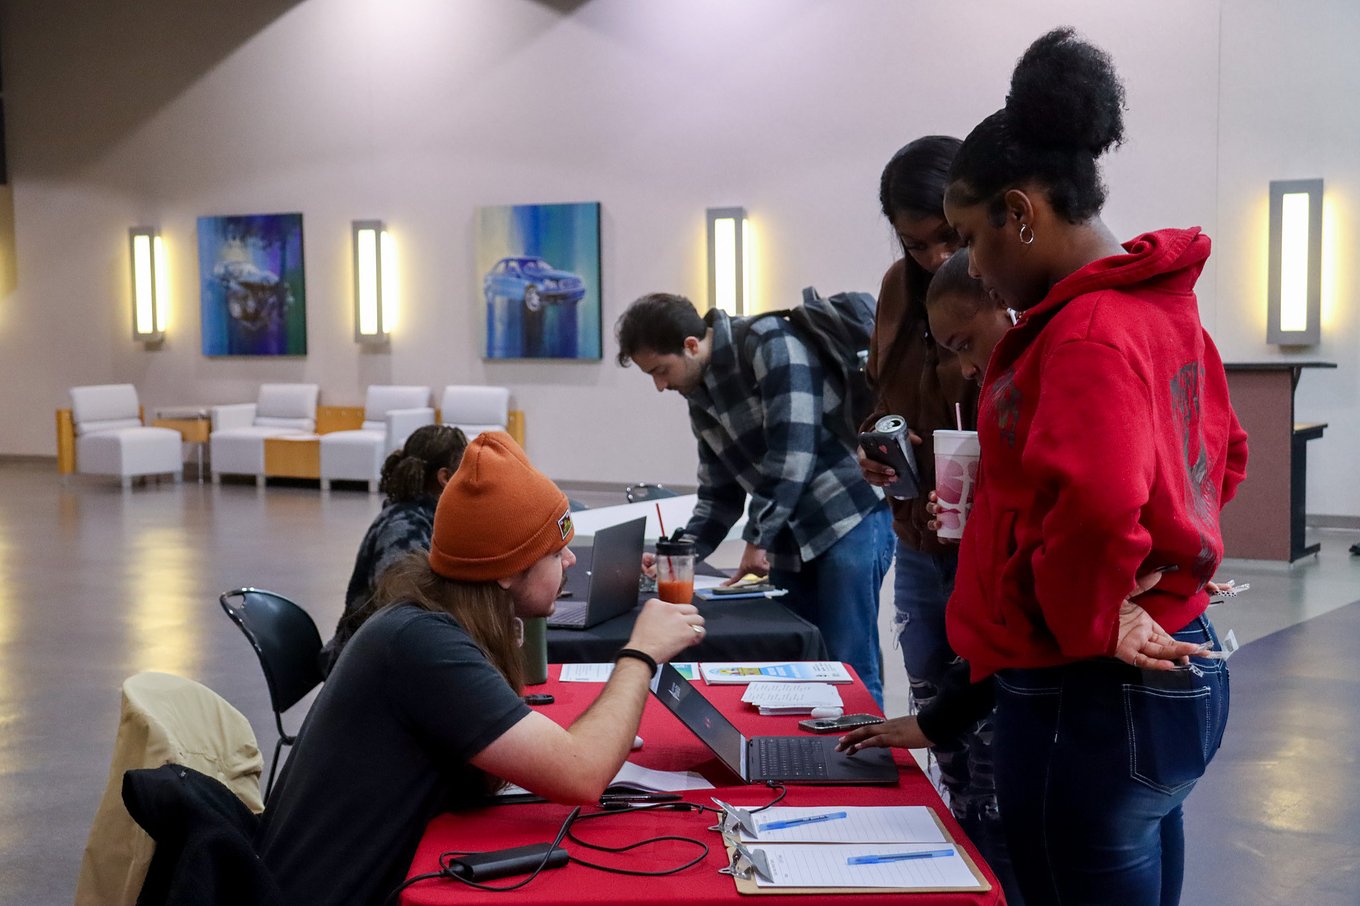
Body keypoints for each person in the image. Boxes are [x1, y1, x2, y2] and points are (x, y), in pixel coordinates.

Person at [915, 27, 1247, 905]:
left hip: (1087, 691)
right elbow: (1224, 457)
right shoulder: (1162, 313)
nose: (976, 269)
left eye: (970, 235)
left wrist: (1097, 616)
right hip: (1167, 671)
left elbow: (1099, 505)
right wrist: (1163, 569)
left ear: (1019, 214)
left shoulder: (1084, 334)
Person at [259, 431, 706, 906]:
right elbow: (582, 776)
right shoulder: (422, 645)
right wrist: (641, 654)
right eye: (556, 553)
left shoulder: (424, 623)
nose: (571, 561)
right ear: (507, 570)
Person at [855, 138, 1020, 900]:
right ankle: (964, 856)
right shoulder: (897, 289)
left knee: (991, 721)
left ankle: (999, 861)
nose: (931, 259)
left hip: (995, 542)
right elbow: (879, 398)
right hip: (920, 537)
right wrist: (878, 451)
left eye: (945, 240)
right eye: (913, 245)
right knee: (934, 715)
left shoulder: (1009, 278)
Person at [616, 293, 894, 705]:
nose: (660, 385)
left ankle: (869, 763)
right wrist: (679, 554)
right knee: (797, 671)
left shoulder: (768, 341)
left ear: (692, 345)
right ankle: (806, 763)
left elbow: (793, 451)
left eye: (661, 370)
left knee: (848, 668)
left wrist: (759, 536)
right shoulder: (699, 397)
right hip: (788, 539)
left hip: (845, 518)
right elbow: (718, 493)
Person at [318, 423, 469, 676]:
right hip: (365, 668)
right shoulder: (402, 528)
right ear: (445, 478)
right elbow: (405, 611)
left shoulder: (425, 517)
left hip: (386, 653)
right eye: (464, 471)